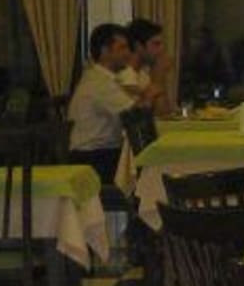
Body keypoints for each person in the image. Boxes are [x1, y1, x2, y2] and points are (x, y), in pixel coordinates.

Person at [67, 23, 135, 182]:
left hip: (100, 153)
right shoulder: (99, 83)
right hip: (93, 158)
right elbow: (135, 116)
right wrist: (155, 84)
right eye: (122, 48)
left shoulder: (101, 78)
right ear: (105, 51)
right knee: (141, 167)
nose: (128, 53)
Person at [121, 18, 174, 115]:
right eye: (156, 44)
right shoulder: (124, 76)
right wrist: (159, 75)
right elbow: (148, 116)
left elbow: (165, 112)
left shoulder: (143, 75)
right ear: (138, 46)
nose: (162, 49)